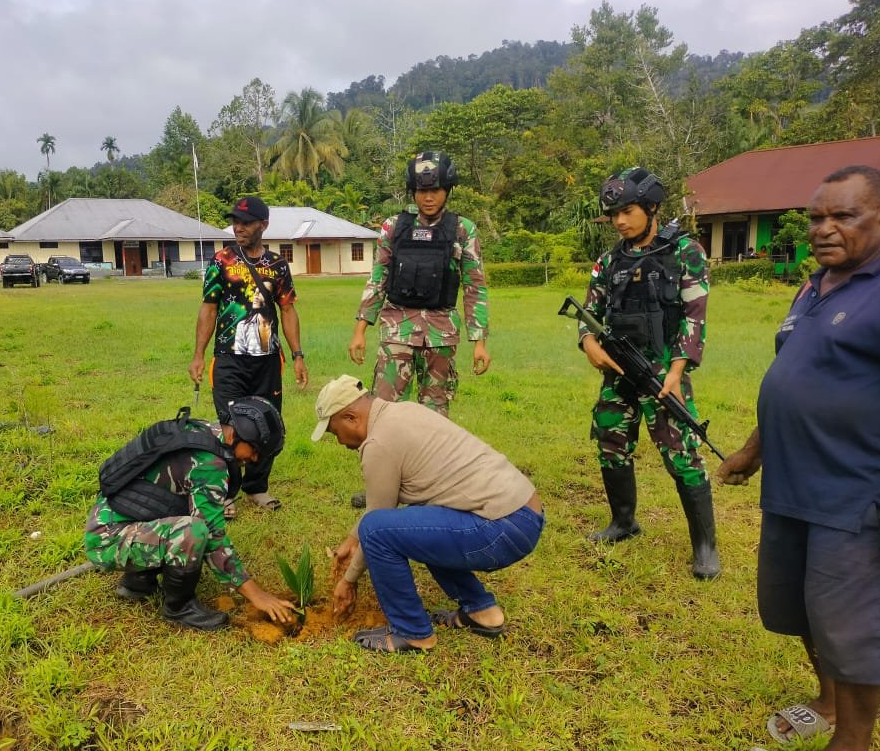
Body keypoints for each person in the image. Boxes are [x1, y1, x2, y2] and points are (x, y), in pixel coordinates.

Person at [718, 165, 880, 751]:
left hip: (855, 493)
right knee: (802, 609)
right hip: (793, 486)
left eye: (842, 216)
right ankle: (827, 702)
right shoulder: (815, 285)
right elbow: (795, 377)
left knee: (849, 623)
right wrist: (750, 451)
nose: (824, 229)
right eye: (815, 218)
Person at [312, 375, 544, 653]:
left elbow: (376, 524)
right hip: (524, 515)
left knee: (378, 530)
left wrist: (348, 580)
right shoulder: (403, 411)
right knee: (416, 520)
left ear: (351, 417)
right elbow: (383, 504)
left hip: (502, 527)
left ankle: (413, 633)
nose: (339, 442)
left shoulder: (379, 443)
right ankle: (483, 613)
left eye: (334, 432)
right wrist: (351, 539)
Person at [577, 166, 719, 580]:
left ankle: (706, 547)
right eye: (613, 214)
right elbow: (589, 312)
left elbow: (696, 316)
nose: (619, 221)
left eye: (627, 211)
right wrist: (588, 343)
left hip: (662, 372)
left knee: (682, 452)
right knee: (610, 440)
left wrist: (677, 371)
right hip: (618, 368)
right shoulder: (608, 260)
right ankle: (624, 522)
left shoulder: (684, 251)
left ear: (652, 207)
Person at [346, 151, 490, 508]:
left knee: (434, 411)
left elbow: (475, 286)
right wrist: (361, 328)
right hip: (396, 330)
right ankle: (378, 485)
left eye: (437, 189)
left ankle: (429, 487)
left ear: (447, 190)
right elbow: (378, 278)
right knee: (381, 410)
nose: (429, 197)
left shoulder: (462, 229)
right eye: (421, 190)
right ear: (412, 191)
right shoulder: (393, 227)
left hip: (441, 335)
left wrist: (479, 341)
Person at [84, 396, 295, 631]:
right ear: (235, 435)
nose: (254, 459)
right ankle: (179, 608)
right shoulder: (210, 463)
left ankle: (139, 582)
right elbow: (214, 534)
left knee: (192, 515)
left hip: (115, 522)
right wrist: (256, 594)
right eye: (256, 450)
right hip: (108, 538)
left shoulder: (205, 431)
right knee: (195, 531)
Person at [188, 196, 308, 515]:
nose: (237, 228)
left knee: (267, 424)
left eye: (245, 223)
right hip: (229, 359)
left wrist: (298, 355)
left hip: (267, 361)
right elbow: (208, 308)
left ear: (263, 226)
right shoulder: (221, 261)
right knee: (229, 426)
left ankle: (257, 488)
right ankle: (227, 493)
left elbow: (288, 310)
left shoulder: (278, 265)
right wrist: (198, 355)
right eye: (235, 222)